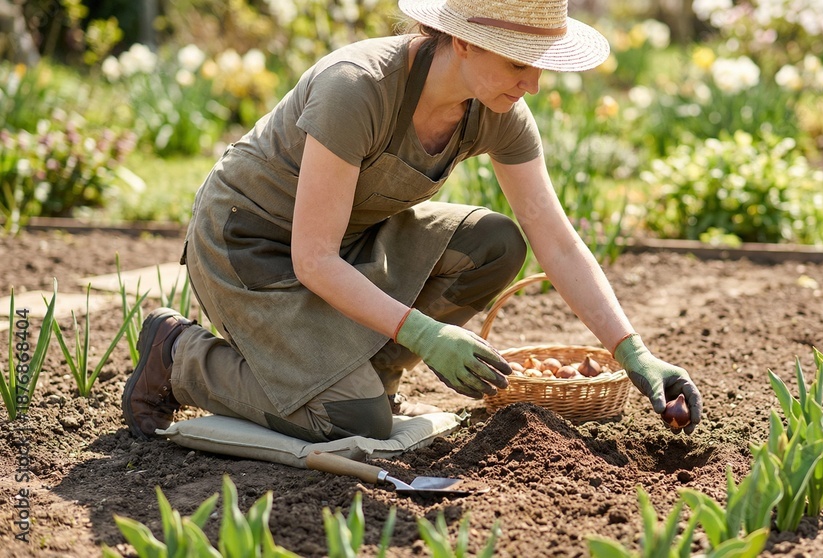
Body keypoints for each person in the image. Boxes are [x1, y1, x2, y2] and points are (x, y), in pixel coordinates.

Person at [122, 0, 704, 443]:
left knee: (495, 243)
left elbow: (553, 235)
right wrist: (426, 333)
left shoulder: (498, 110)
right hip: (250, 246)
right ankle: (179, 358)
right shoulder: (358, 88)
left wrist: (633, 354)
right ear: (465, 42)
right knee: (351, 422)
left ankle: (369, 372)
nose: (532, 84)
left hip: (346, 243)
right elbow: (312, 258)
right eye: (519, 63)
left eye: (540, 66)